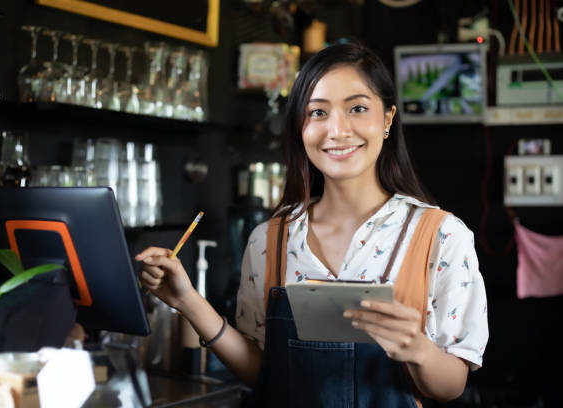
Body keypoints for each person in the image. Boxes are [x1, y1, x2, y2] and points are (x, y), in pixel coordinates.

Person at [137, 41, 488, 407]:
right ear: (300, 128)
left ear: (387, 119)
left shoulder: (440, 236)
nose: (337, 130)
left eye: (357, 108)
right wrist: (187, 300)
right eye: (318, 113)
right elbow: (262, 371)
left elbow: (451, 385)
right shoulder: (269, 240)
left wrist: (418, 349)